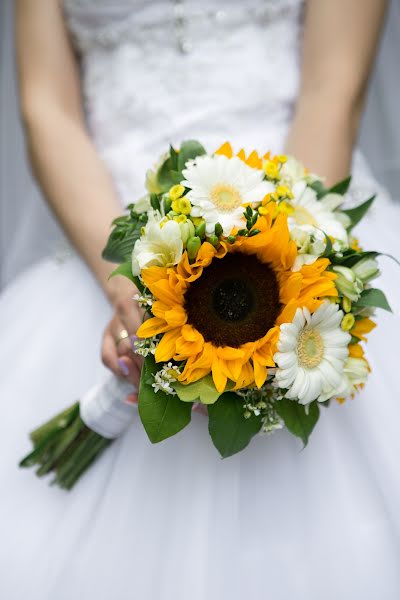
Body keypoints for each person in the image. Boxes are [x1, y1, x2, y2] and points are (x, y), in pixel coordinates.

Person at [1, 0, 399, 598]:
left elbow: (332, 88)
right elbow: (47, 108)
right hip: (109, 244)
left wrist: (288, 282)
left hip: (296, 227)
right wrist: (130, 288)